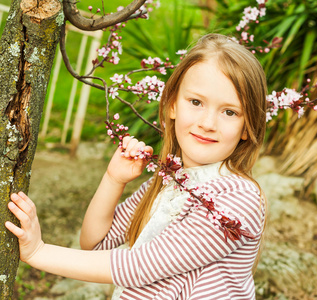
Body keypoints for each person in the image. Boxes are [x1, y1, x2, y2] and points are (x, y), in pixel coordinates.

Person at [6, 33, 267, 299]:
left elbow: (140, 266)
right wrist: (113, 180)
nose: (208, 123)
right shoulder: (169, 183)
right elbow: (95, 245)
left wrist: (39, 252)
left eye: (230, 112)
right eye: (196, 102)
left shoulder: (237, 198)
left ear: (247, 126)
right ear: (173, 104)